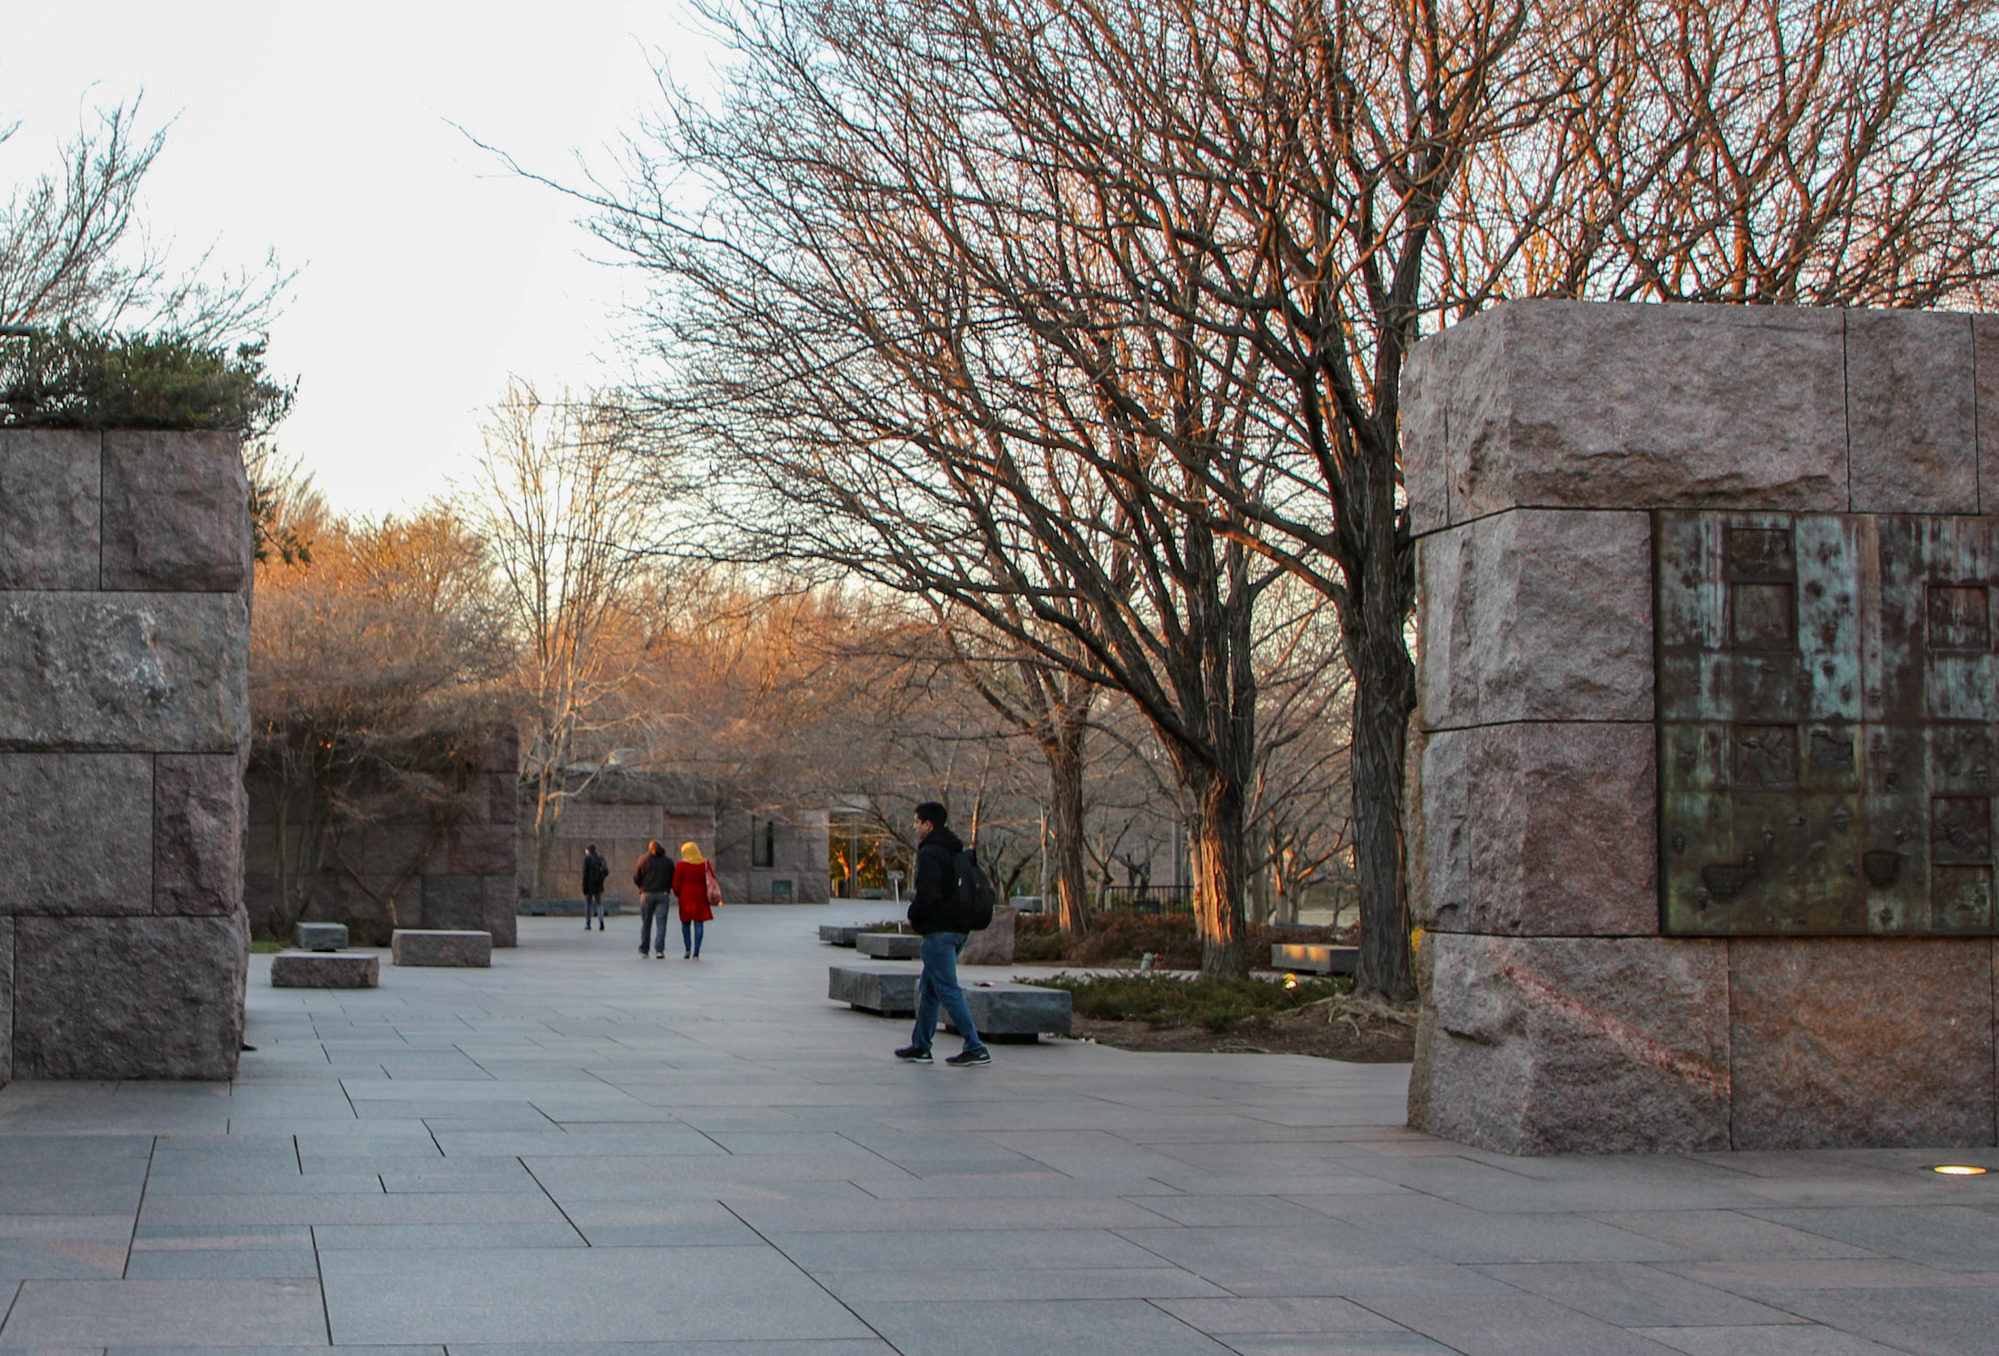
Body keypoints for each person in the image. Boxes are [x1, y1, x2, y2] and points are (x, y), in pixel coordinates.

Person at [894, 801, 991, 1067]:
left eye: (917, 822)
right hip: (959, 929)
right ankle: (921, 1045)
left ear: (928, 824)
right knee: (931, 987)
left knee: (947, 989)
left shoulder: (931, 852)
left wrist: (914, 915)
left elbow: (929, 895)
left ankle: (974, 1045)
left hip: (940, 932)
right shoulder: (956, 850)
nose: (914, 827)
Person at [671, 841, 719, 958]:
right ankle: (696, 951)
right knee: (699, 923)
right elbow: (712, 878)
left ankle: (687, 949)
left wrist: (679, 894)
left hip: (685, 897)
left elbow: (676, 884)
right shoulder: (705, 864)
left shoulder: (681, 865)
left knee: (685, 923)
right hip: (701, 896)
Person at [633, 840, 675, 959]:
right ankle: (659, 950)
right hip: (663, 894)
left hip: (647, 894)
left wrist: (642, 887)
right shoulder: (668, 861)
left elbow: (636, 877)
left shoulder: (644, 859)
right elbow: (673, 876)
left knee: (646, 922)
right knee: (661, 923)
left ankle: (644, 949)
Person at [581, 843, 609, 931]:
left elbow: (585, 874)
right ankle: (601, 922)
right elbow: (606, 872)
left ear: (588, 850)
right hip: (599, 885)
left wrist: (584, 885)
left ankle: (588, 923)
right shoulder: (600, 858)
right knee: (599, 904)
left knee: (588, 904)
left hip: (589, 885)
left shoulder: (587, 858)